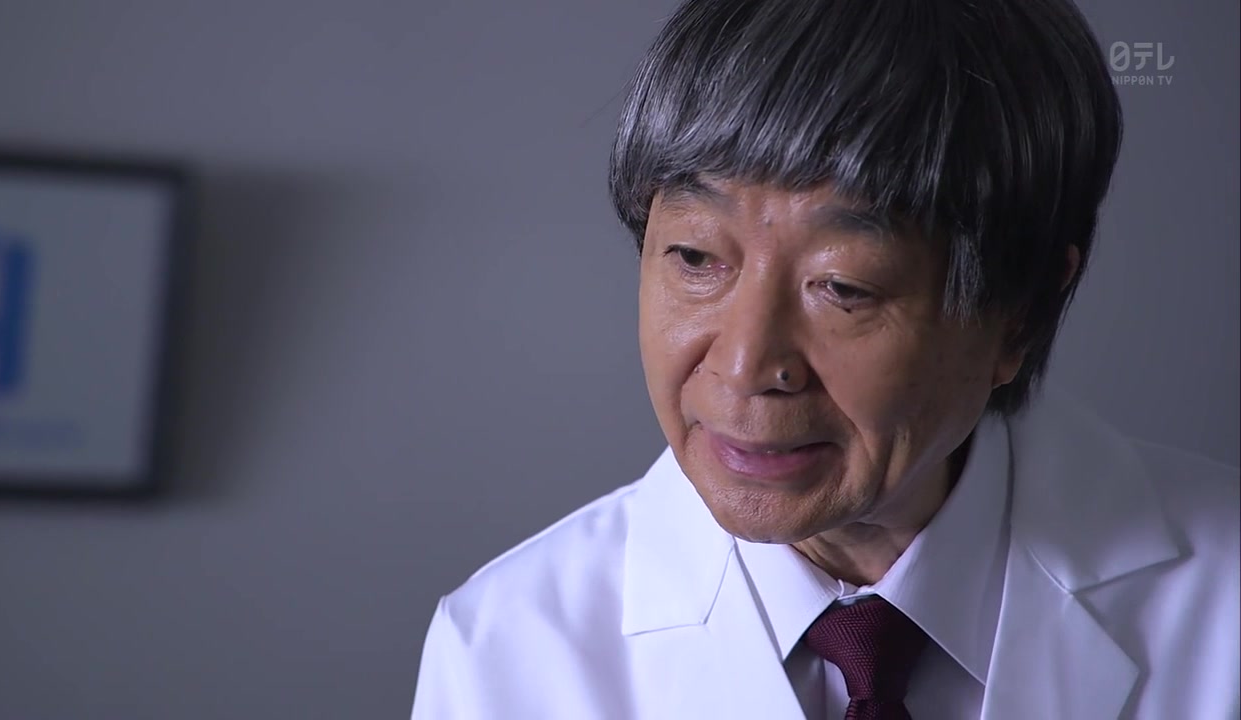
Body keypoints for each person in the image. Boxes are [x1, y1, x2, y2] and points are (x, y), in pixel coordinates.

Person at [410, 0, 1241, 717]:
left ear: (1016, 315)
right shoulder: (504, 651)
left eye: (842, 286)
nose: (745, 366)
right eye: (696, 258)